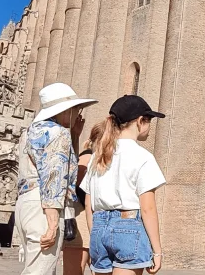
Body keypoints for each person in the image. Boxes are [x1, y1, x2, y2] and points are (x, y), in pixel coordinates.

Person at [15, 82, 97, 275]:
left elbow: (66, 167)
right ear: (64, 110)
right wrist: (52, 225)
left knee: (34, 268)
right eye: (76, 108)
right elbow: (53, 179)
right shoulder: (58, 133)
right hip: (44, 208)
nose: (78, 113)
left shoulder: (29, 132)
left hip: (26, 205)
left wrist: (75, 136)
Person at [82, 95, 166, 275]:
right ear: (140, 121)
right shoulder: (143, 157)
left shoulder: (98, 156)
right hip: (128, 227)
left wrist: (94, 236)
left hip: (98, 226)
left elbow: (89, 204)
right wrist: (157, 250)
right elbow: (148, 208)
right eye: (149, 120)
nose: (150, 125)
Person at [63, 121, 105, 275]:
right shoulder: (87, 158)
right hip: (81, 220)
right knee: (74, 271)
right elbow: (79, 188)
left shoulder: (90, 157)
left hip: (88, 221)